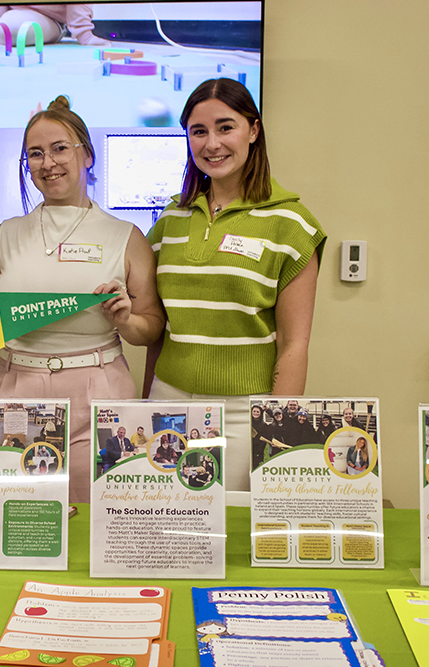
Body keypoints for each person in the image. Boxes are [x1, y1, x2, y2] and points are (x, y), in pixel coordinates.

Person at [0, 96, 165, 502]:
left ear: (86, 155)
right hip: (15, 386)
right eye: (35, 154)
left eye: (60, 148)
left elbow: (151, 326)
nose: (47, 162)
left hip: (98, 394)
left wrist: (126, 319)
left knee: (97, 520)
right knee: (14, 515)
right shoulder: (6, 233)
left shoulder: (126, 236)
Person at [144, 78, 326, 492]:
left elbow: (295, 345)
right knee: (163, 539)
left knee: (233, 545)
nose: (212, 144)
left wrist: (278, 434)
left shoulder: (292, 224)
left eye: (226, 127)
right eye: (199, 131)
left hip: (245, 416)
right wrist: (145, 403)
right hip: (167, 404)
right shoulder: (170, 220)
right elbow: (159, 329)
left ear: (253, 130)